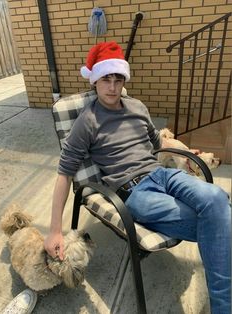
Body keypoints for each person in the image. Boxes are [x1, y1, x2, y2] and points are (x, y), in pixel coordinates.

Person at [44, 41, 231, 314]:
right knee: (220, 220)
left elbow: (157, 141)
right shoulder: (87, 120)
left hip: (162, 175)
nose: (112, 86)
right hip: (135, 193)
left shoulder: (137, 106)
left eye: (117, 78)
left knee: (216, 197)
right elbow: (64, 173)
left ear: (124, 80)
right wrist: (55, 230)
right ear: (95, 81)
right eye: (105, 79)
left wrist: (185, 153)